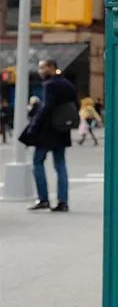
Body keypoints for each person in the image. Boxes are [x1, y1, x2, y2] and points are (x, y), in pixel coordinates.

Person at [21, 59, 78, 212]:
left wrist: (33, 127)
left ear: (51, 67)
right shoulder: (67, 84)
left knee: (37, 162)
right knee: (60, 164)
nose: (40, 71)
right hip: (62, 130)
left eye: (42, 68)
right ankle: (63, 201)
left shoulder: (49, 85)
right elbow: (75, 106)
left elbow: (46, 108)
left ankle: (43, 198)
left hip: (47, 132)